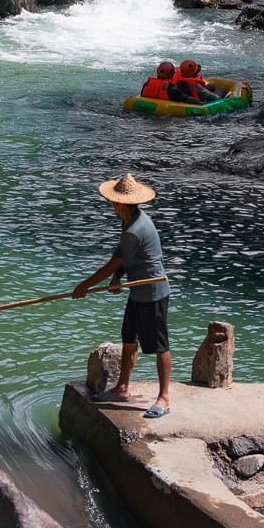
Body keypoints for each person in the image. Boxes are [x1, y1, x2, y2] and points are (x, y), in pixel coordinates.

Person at [72, 173, 171, 419]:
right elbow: (124, 262)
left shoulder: (135, 229)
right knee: (129, 338)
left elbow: (109, 265)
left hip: (153, 292)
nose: (110, 204)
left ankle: (164, 398)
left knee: (159, 346)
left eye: (112, 201)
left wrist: (84, 286)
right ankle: (123, 387)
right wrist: (117, 279)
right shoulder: (128, 221)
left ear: (120, 204)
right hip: (137, 290)